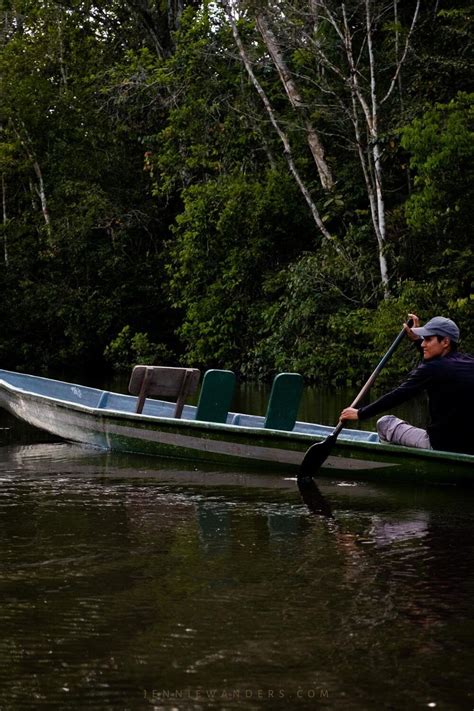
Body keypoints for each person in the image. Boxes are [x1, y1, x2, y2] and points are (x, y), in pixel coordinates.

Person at [339, 314, 474, 455]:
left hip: (440, 446)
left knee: (385, 423)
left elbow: (399, 395)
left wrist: (360, 413)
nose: (423, 344)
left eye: (428, 339)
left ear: (445, 342)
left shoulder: (434, 368)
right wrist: (416, 339)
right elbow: (438, 367)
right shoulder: (469, 362)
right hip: (470, 448)